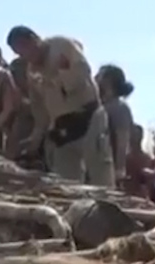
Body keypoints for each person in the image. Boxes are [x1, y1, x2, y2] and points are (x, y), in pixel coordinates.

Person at [8, 25, 114, 186]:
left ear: (34, 39)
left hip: (88, 115)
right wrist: (36, 137)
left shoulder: (62, 46)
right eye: (19, 53)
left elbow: (82, 72)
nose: (25, 55)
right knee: (65, 178)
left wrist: (58, 78)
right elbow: (39, 109)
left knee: (99, 169)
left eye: (24, 47)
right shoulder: (32, 72)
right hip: (62, 126)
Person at [97, 64, 135, 184]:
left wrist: (119, 169)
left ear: (108, 81)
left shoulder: (119, 107)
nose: (95, 78)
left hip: (107, 166)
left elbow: (122, 139)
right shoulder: (100, 106)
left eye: (99, 75)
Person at [121, 124, 153, 199]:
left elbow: (149, 183)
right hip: (126, 196)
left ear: (141, 137)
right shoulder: (125, 157)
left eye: (136, 135)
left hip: (141, 197)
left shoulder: (146, 158)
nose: (133, 138)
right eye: (132, 135)